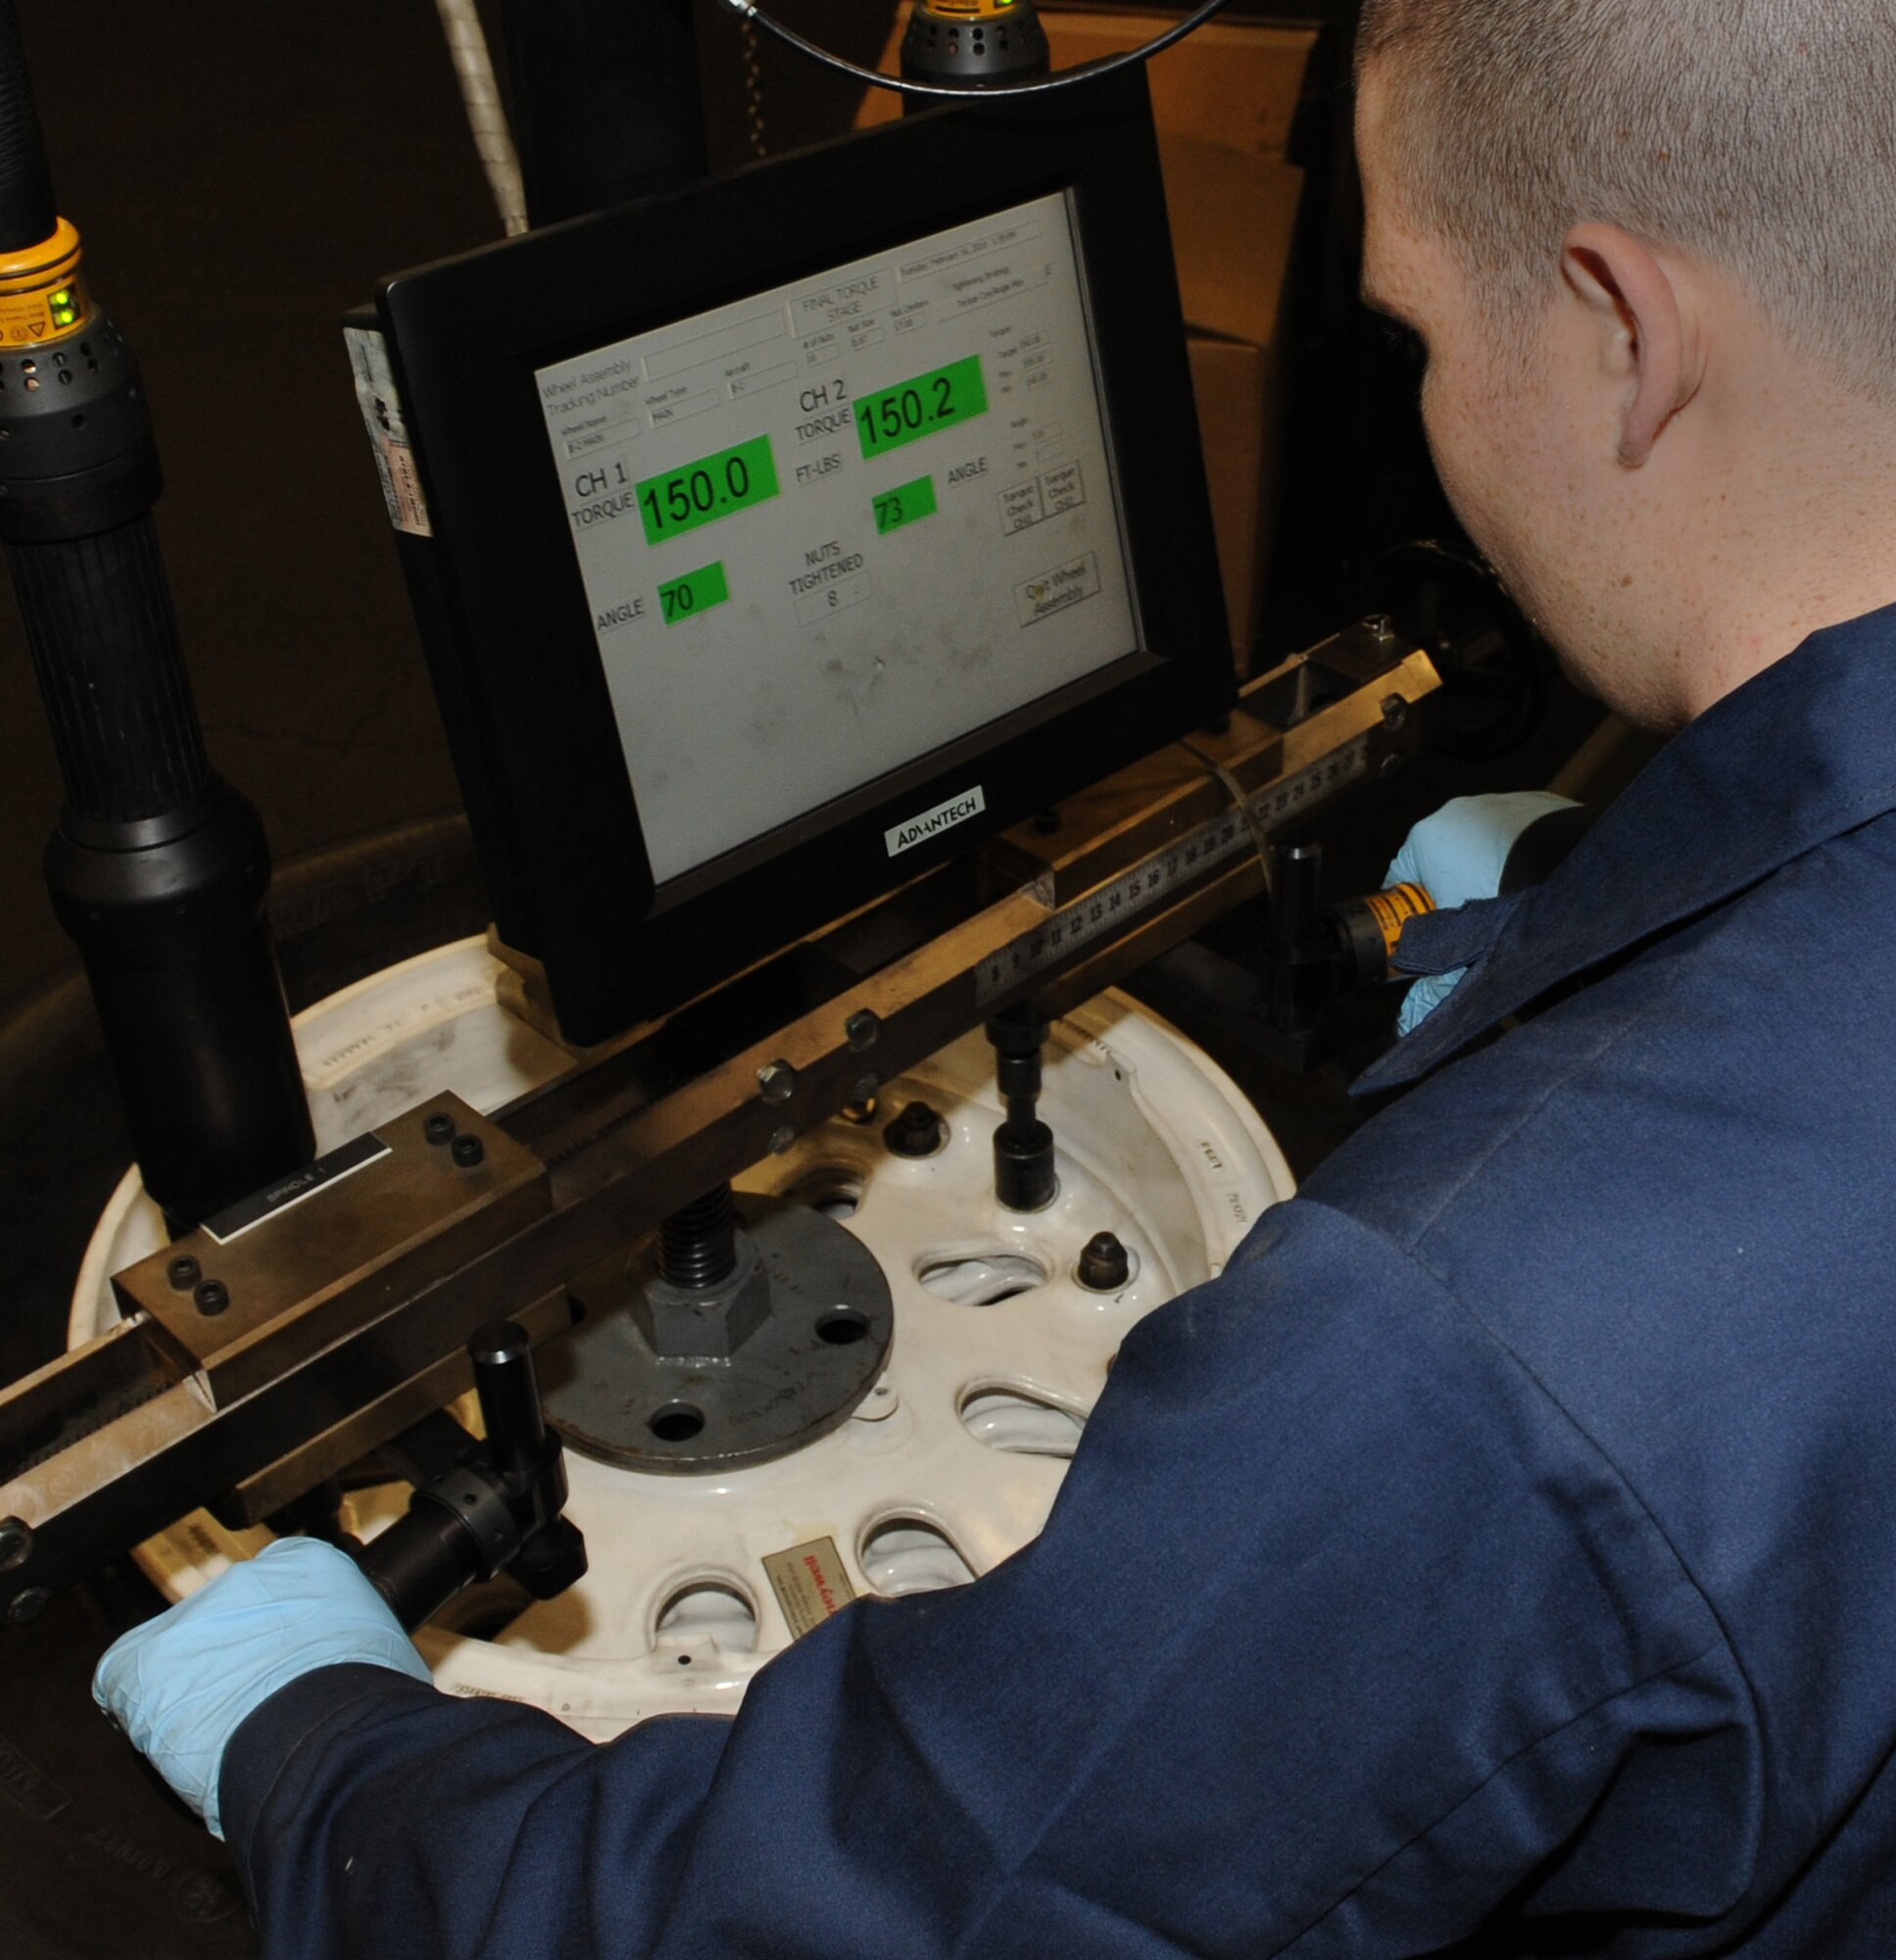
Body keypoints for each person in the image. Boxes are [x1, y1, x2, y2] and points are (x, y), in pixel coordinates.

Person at [94, 0, 1896, 1951]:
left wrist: (319, 1749)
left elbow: (833, 1913)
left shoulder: (1457, 1354)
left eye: (1423, 336)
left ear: (1620, 333)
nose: (1431, 410)